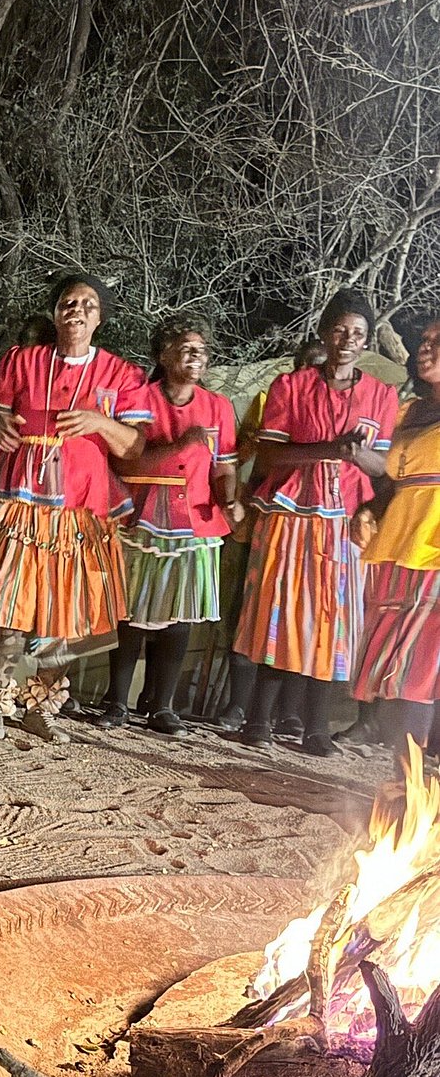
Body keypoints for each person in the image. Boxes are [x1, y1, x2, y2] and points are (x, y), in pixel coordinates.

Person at [0, 271, 150, 742]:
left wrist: (98, 421)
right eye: (68, 301)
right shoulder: (24, 361)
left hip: (80, 507)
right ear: (55, 311)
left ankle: (41, 706)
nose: (77, 309)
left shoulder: (120, 374)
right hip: (23, 501)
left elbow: (134, 447)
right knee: (10, 601)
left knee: (66, 608)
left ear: (99, 318)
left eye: (88, 303)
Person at [232, 291, 398, 755]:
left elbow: (381, 466)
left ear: (366, 343)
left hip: (344, 522)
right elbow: (271, 453)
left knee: (333, 619)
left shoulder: (381, 395)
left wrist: (355, 453)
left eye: (359, 335)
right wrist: (331, 449)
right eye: (341, 330)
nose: (348, 341)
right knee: (279, 611)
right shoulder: (292, 386)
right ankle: (258, 720)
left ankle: (315, 727)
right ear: (325, 333)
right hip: (291, 516)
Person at [96, 317, 240, 736]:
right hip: (141, 510)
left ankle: (162, 706)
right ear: (163, 354)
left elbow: (224, 465)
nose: (195, 355)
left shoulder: (218, 407)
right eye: (185, 346)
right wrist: (180, 446)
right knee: (130, 610)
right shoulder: (140, 397)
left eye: (201, 349)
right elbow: (125, 459)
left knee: (181, 612)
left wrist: (231, 498)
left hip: (194, 516)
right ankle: (117, 700)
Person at [215, 337, 324, 737]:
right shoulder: (268, 400)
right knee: (248, 615)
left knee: (300, 618)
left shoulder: (337, 413)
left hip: (313, 527)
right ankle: (237, 704)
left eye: (321, 367)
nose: (311, 374)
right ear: (293, 366)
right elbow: (244, 457)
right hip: (261, 519)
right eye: (306, 365)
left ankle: (287, 712)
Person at [352, 318, 440, 766]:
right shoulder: (409, 412)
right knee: (397, 672)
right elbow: (390, 481)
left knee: (420, 670)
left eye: (437, 342)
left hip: (434, 554)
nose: (424, 348)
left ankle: (415, 781)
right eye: (423, 341)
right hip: (397, 549)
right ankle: (409, 783)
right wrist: (368, 508)